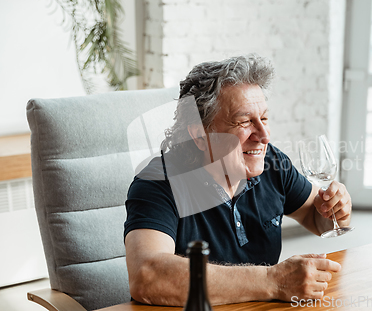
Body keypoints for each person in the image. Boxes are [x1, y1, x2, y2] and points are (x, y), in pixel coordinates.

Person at [124, 54, 352, 306]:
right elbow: (147, 276)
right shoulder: (157, 182)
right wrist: (273, 280)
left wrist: (335, 210)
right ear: (199, 135)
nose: (264, 136)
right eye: (245, 121)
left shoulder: (273, 163)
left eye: (264, 118)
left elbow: (316, 218)